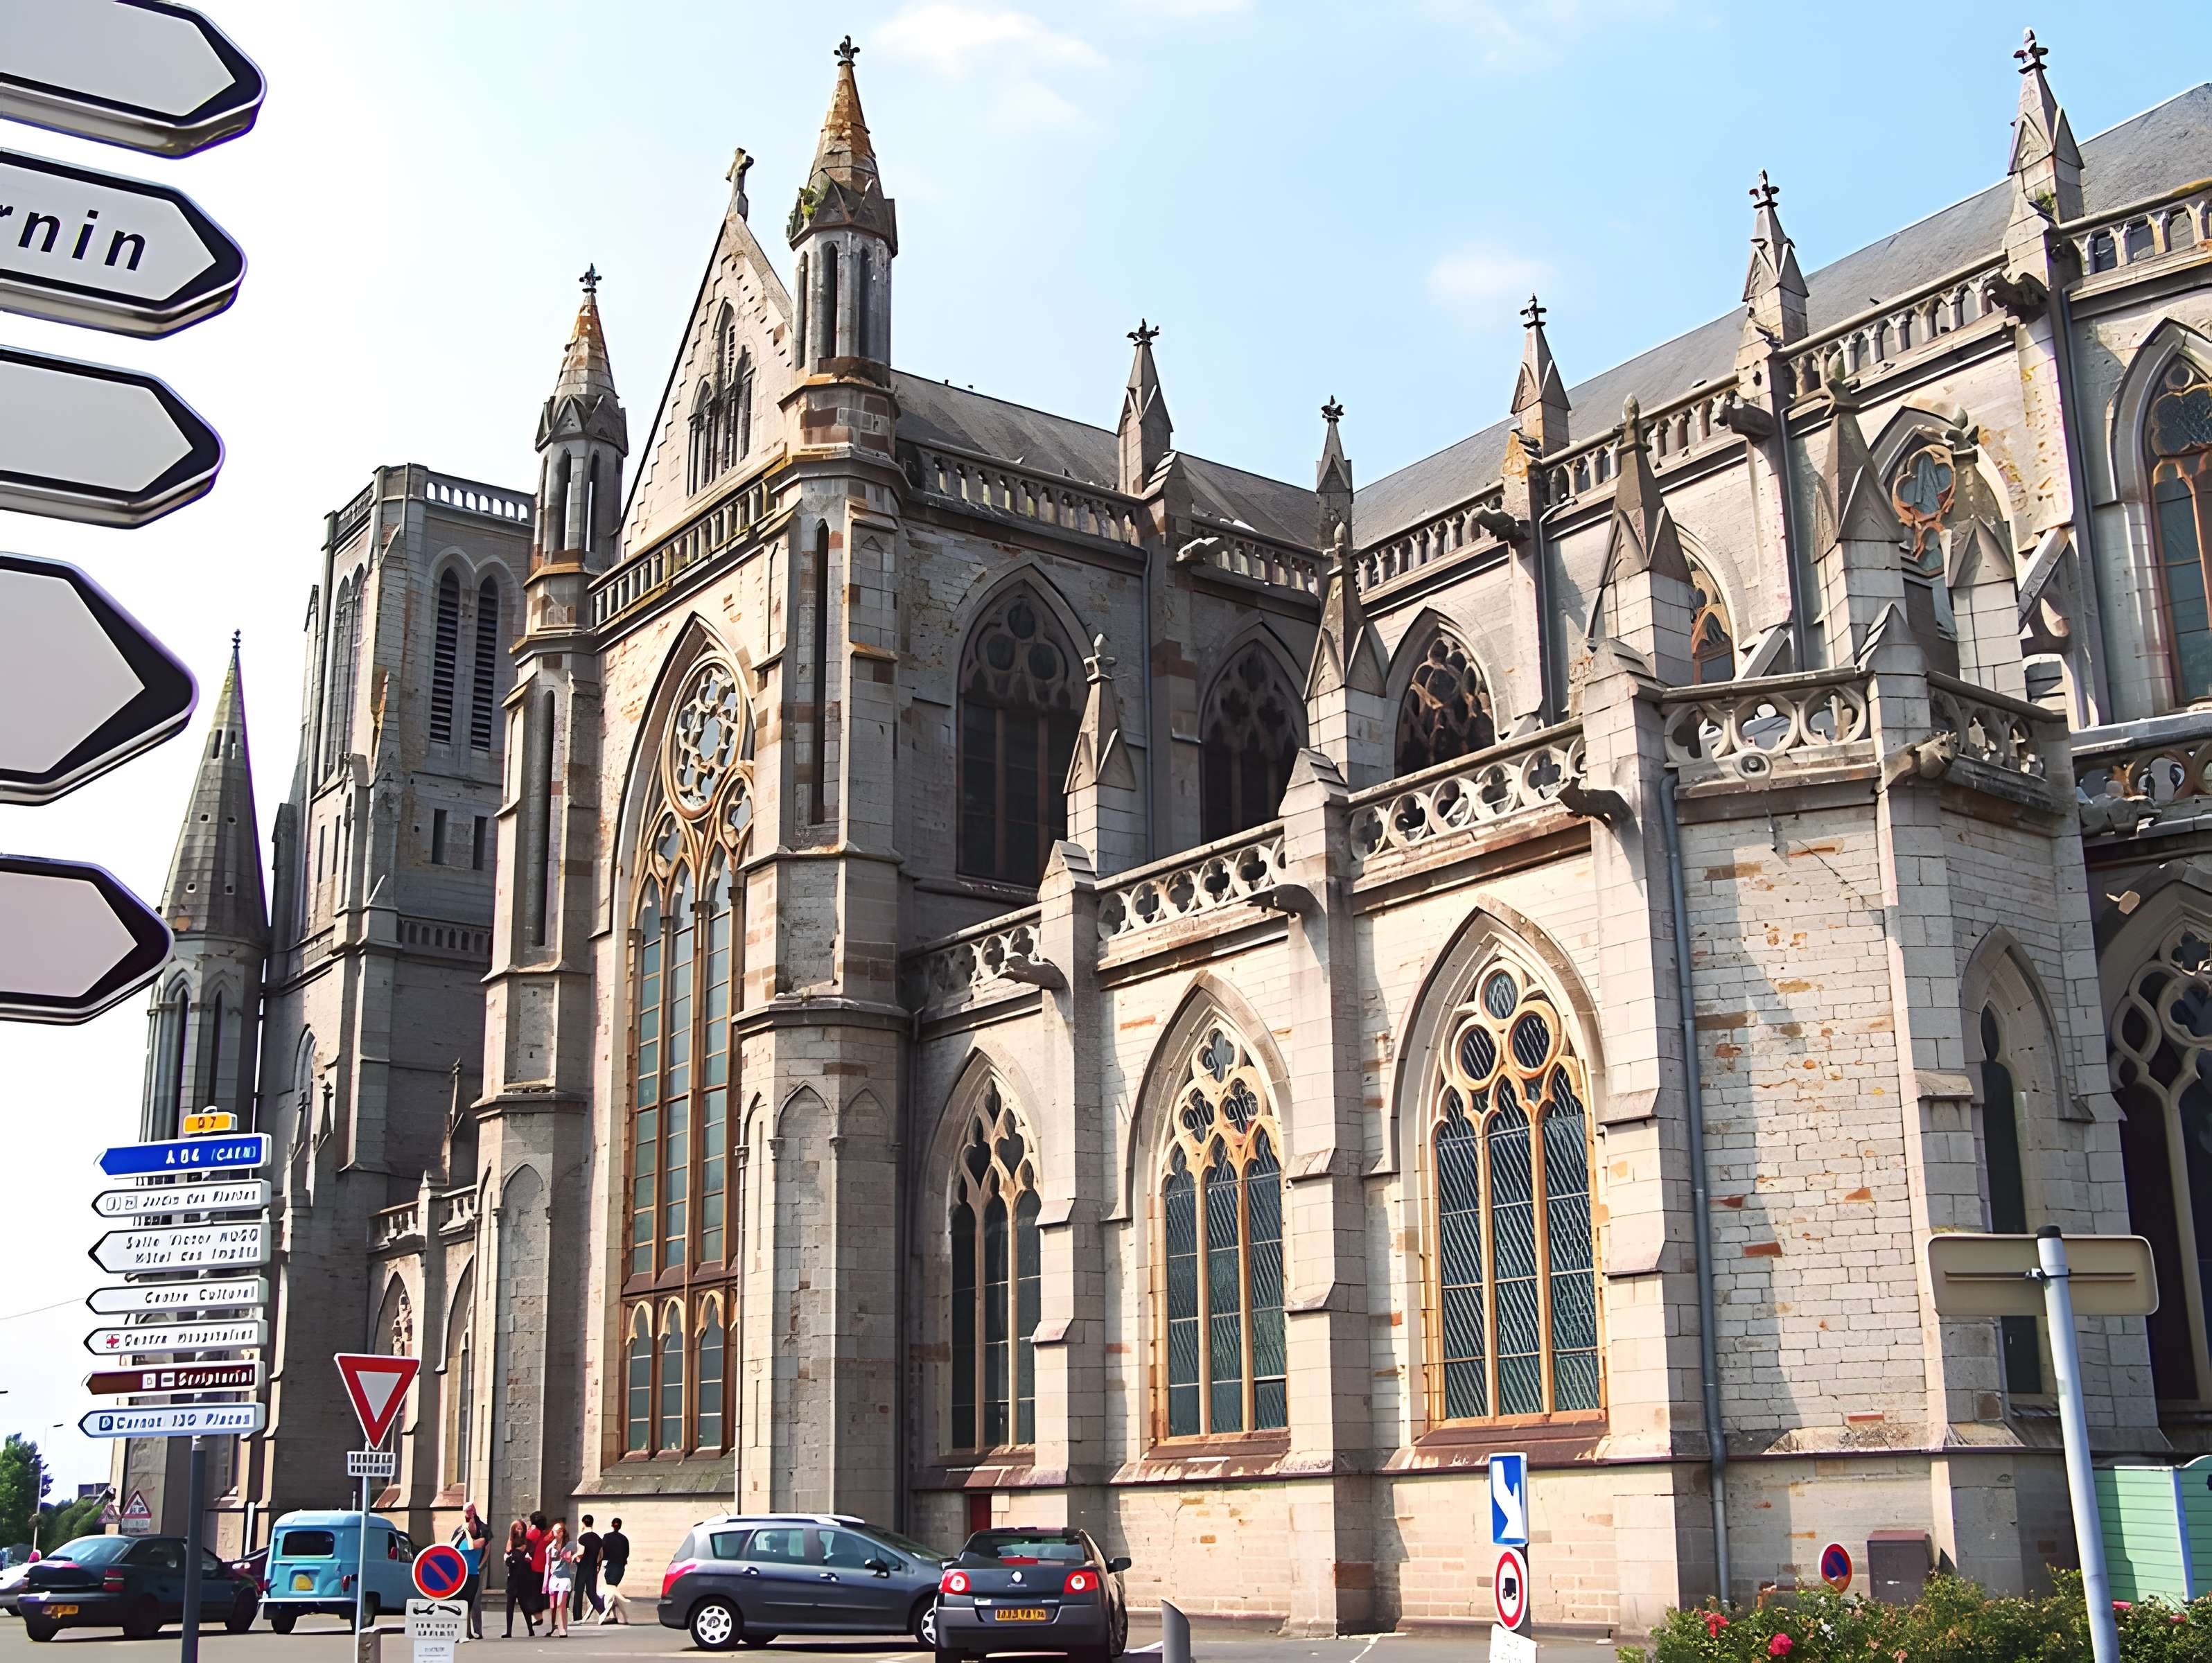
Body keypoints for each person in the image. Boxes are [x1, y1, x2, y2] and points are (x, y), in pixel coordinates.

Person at [453, 1503, 489, 1641]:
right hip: (461, 1575)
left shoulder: (480, 1539)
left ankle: (474, 1631)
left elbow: (473, 1545)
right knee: (461, 1604)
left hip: (473, 1575)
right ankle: (464, 1632)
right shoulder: (460, 1541)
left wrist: (468, 1531)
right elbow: (451, 1548)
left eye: (473, 1525)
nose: (471, 1526)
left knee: (471, 1603)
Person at [502, 1520, 539, 1639]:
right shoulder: (511, 1542)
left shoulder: (528, 1542)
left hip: (524, 1578)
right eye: (516, 1528)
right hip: (512, 1578)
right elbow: (507, 1559)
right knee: (510, 1606)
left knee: (525, 1605)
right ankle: (509, 1631)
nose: (519, 1530)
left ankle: (530, 1629)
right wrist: (518, 1552)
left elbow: (532, 1558)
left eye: (521, 1528)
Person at [542, 1520, 575, 1638]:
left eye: (556, 1530)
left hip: (564, 1578)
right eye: (554, 1530)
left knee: (561, 1604)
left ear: (562, 1532)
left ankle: (563, 1629)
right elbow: (548, 1565)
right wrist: (545, 1582)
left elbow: (570, 1560)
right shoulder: (550, 1547)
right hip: (554, 1578)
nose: (554, 1532)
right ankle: (553, 1627)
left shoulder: (569, 1545)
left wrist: (567, 1557)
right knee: (553, 1606)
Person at [597, 1518, 631, 1626]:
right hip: (620, 1568)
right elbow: (627, 1554)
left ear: (612, 1525)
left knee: (608, 1591)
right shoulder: (624, 1539)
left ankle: (606, 1616)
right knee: (613, 1591)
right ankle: (616, 1616)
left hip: (608, 1567)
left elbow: (602, 1551)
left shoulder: (607, 1537)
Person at [575, 1516, 604, 1620]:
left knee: (579, 1591)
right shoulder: (598, 1539)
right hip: (592, 1568)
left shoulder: (582, 1538)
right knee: (591, 1592)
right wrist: (598, 1566)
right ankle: (603, 1610)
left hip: (583, 1567)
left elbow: (580, 1553)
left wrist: (574, 1558)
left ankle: (577, 1617)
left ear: (583, 1523)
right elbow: (601, 1555)